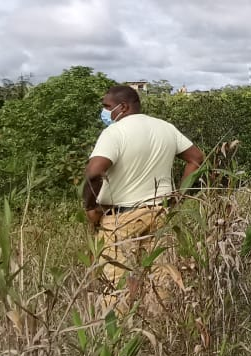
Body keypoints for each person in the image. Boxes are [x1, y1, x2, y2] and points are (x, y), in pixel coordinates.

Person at [83, 85, 205, 310]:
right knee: (161, 282)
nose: (105, 112)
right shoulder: (165, 128)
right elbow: (196, 158)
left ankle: (117, 337)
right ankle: (158, 331)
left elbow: (94, 171)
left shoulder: (114, 132)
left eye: (107, 107)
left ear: (124, 107)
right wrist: (178, 196)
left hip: (120, 217)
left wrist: (90, 207)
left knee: (115, 284)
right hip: (161, 213)